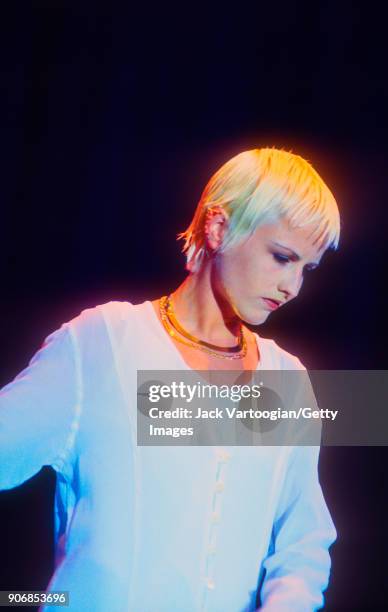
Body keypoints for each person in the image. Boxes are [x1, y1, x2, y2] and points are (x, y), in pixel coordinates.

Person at [0, 148, 340, 611]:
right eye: (282, 257)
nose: (293, 286)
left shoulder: (288, 381)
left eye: (307, 268)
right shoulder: (103, 343)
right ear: (219, 227)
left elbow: (302, 545)